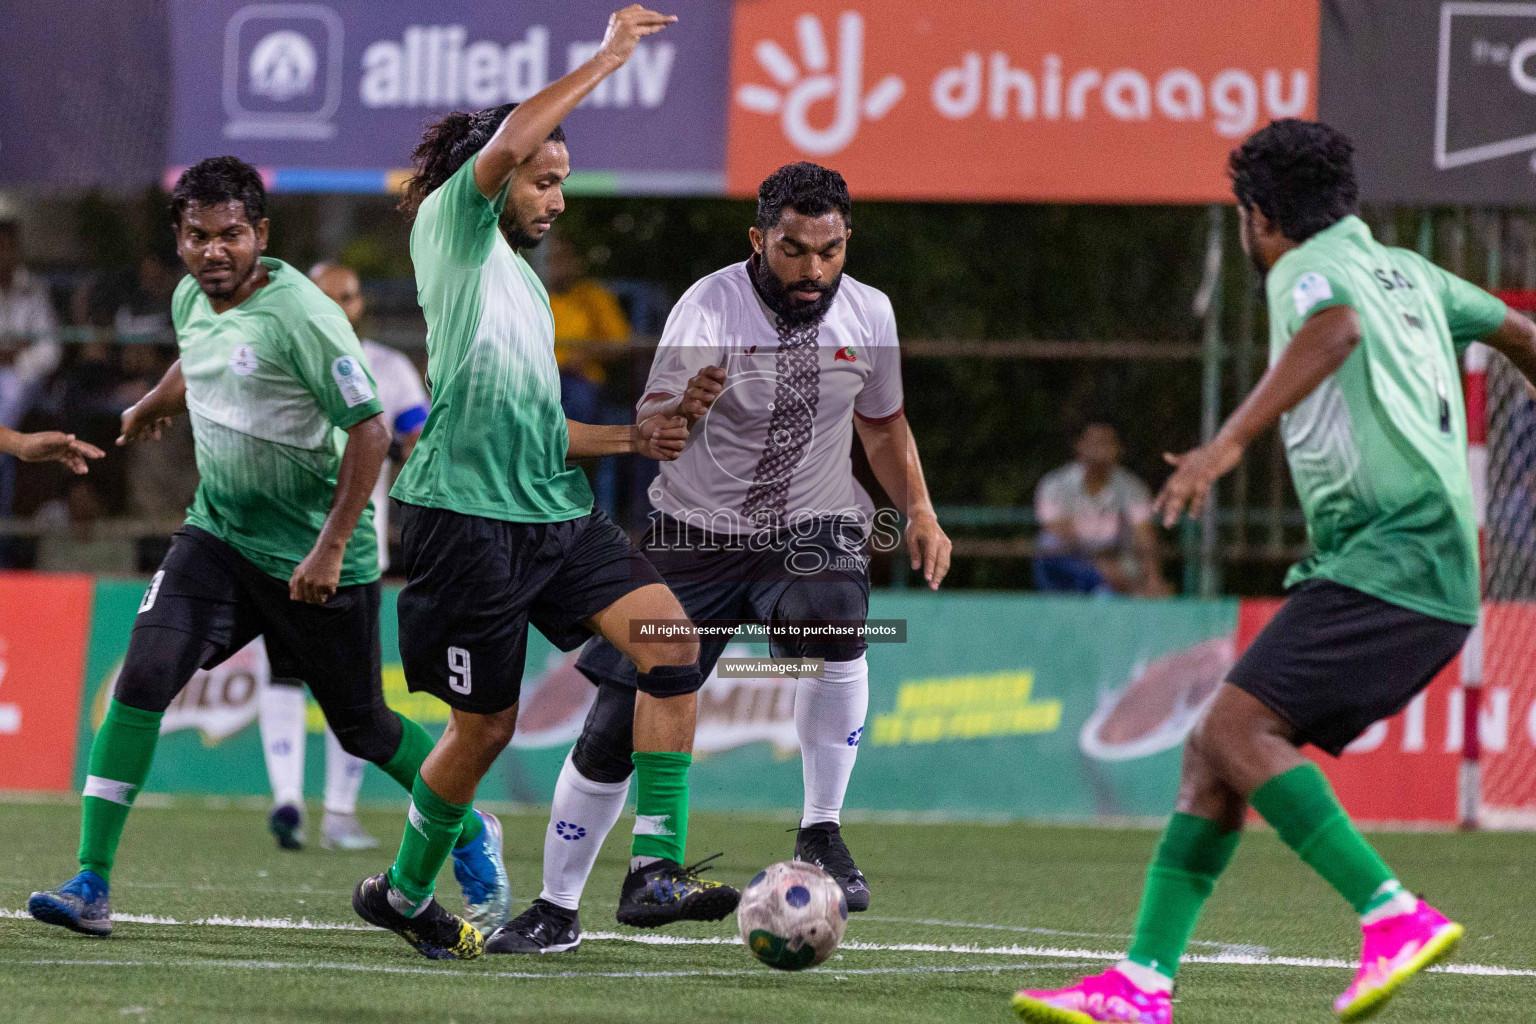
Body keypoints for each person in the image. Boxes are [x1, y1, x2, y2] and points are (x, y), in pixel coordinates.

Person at [1013, 119, 1536, 1023]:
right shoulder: (1413, 271)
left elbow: (1332, 331)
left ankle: (1391, 913)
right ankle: (1142, 984)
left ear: (1258, 216)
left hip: (1392, 552)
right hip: (1410, 561)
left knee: (1235, 729)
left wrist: (1222, 446)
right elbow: (1523, 335)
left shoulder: (1306, 272)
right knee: (1213, 750)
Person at [26, 157, 505, 952]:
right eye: (198, 236)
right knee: (142, 677)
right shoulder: (190, 297)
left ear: (262, 236)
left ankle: (467, 826)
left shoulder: (304, 316)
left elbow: (370, 430)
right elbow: (201, 353)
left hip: (318, 563)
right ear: (179, 240)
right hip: (217, 536)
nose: (215, 251)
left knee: (365, 728)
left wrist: (329, 546)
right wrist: (156, 400)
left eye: (232, 235)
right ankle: (90, 883)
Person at [352, 5, 739, 962]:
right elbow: (514, 133)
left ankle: (653, 870)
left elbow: (537, 425)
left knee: (671, 644)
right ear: (497, 171)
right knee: (485, 730)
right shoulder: (452, 226)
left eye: (563, 182)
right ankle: (403, 893)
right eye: (545, 179)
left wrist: (633, 436)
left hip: (550, 516)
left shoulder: (522, 286)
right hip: (462, 524)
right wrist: (608, 56)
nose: (557, 199)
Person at [490, 161, 953, 954]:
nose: (813, 271)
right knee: (610, 733)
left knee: (834, 612)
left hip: (808, 529)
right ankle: (556, 910)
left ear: (847, 242)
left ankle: (821, 830)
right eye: (793, 250)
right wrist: (679, 415)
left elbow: (882, 424)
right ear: (758, 239)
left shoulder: (870, 313)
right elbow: (655, 423)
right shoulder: (708, 306)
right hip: (690, 539)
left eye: (830, 251)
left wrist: (919, 508)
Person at [255, 261, 431, 853]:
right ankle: (288, 800)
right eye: (327, 296)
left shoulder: (388, 367)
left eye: (349, 296)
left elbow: (417, 433)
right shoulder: (279, 359)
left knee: (351, 688)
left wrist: (415, 449)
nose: (340, 306)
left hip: (356, 546)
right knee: (284, 669)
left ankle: (337, 810)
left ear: (361, 305)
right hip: (282, 538)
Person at [1032, 422, 1171, 596]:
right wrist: (1099, 566)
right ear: (1079, 445)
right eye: (1095, 442)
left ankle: (1107, 593)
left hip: (1116, 558)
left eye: (1107, 442)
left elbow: (1145, 536)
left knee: (1135, 578)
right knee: (1048, 544)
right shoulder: (1055, 483)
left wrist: (1154, 579)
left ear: (1119, 449)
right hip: (1074, 559)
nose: (1101, 448)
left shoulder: (1132, 487)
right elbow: (1059, 532)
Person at [548, 235, 631, 515]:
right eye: (552, 258)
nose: (557, 265)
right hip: (538, 381)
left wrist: (585, 354)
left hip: (580, 381)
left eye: (563, 258)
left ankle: (570, 494)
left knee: (577, 403)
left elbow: (621, 343)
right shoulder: (532, 292)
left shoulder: (593, 296)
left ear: (576, 263)